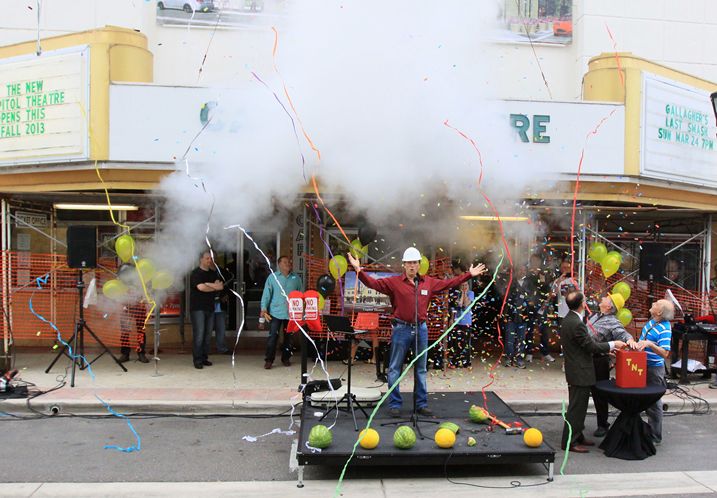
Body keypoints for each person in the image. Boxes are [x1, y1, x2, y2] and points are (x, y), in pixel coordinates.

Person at [347, 248, 487, 417]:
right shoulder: (394, 282)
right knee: (394, 368)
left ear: (419, 265)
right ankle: (395, 404)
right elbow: (372, 283)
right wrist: (358, 270)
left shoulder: (428, 282)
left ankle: (421, 404)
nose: (412, 266)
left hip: (421, 328)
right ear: (404, 265)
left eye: (415, 262)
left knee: (420, 368)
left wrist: (468, 275)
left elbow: (448, 284)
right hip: (401, 328)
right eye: (409, 263)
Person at [561, 291, 625, 453]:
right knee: (576, 408)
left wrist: (617, 344)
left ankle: (578, 435)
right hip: (580, 371)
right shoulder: (576, 323)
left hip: (580, 368)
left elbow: (585, 344)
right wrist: (613, 344)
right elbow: (591, 346)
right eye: (584, 300)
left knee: (580, 406)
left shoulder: (572, 319)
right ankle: (570, 441)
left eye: (606, 298)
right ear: (582, 304)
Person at [587, 293, 636, 437]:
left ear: (609, 306)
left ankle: (602, 424)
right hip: (587, 358)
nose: (602, 298)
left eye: (606, 298)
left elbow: (623, 334)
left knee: (599, 394)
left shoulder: (613, 321)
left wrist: (630, 340)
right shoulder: (595, 315)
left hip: (599, 361)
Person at [635, 299, 674, 445]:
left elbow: (665, 353)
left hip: (654, 369)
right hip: (642, 365)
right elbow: (642, 340)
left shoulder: (664, 329)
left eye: (656, 304)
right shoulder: (652, 322)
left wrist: (650, 344)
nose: (653, 304)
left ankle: (655, 436)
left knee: (654, 403)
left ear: (659, 312)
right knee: (639, 398)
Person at [260, 255, 303, 369]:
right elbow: (266, 294)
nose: (288, 263)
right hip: (276, 312)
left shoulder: (296, 278)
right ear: (279, 264)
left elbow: (301, 296)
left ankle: (286, 358)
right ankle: (269, 360)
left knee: (289, 338)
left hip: (291, 314)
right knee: (273, 337)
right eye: (284, 262)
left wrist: (301, 312)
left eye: (289, 261)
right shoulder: (272, 277)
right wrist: (264, 308)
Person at [189, 251, 223, 369]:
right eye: (207, 258)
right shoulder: (195, 273)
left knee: (208, 335)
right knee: (199, 334)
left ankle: (204, 358)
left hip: (210, 307)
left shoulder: (213, 274)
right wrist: (212, 286)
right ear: (201, 259)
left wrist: (209, 285)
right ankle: (197, 360)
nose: (210, 261)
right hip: (197, 308)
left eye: (211, 258)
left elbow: (220, 286)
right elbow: (201, 288)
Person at [524, 254, 555, 363]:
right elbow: (525, 289)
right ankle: (528, 352)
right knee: (530, 329)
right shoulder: (527, 274)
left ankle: (545, 352)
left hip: (542, 305)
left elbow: (547, 289)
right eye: (533, 261)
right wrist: (529, 301)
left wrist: (546, 301)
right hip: (530, 305)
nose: (535, 263)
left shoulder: (543, 273)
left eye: (537, 261)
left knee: (544, 329)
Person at [504, 265, 529, 369]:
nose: (522, 272)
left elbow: (533, 298)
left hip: (523, 316)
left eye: (524, 270)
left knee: (521, 339)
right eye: (520, 270)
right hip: (511, 315)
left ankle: (519, 360)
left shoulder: (529, 284)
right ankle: (509, 358)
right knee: (509, 339)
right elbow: (505, 298)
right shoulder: (511, 283)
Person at [448, 280, 473, 368]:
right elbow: (458, 305)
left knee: (465, 342)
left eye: (466, 285)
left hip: (466, 322)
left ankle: (465, 361)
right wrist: (462, 294)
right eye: (462, 285)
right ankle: (455, 361)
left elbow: (466, 304)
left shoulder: (471, 293)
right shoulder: (456, 294)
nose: (464, 287)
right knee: (455, 342)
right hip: (457, 321)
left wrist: (465, 294)